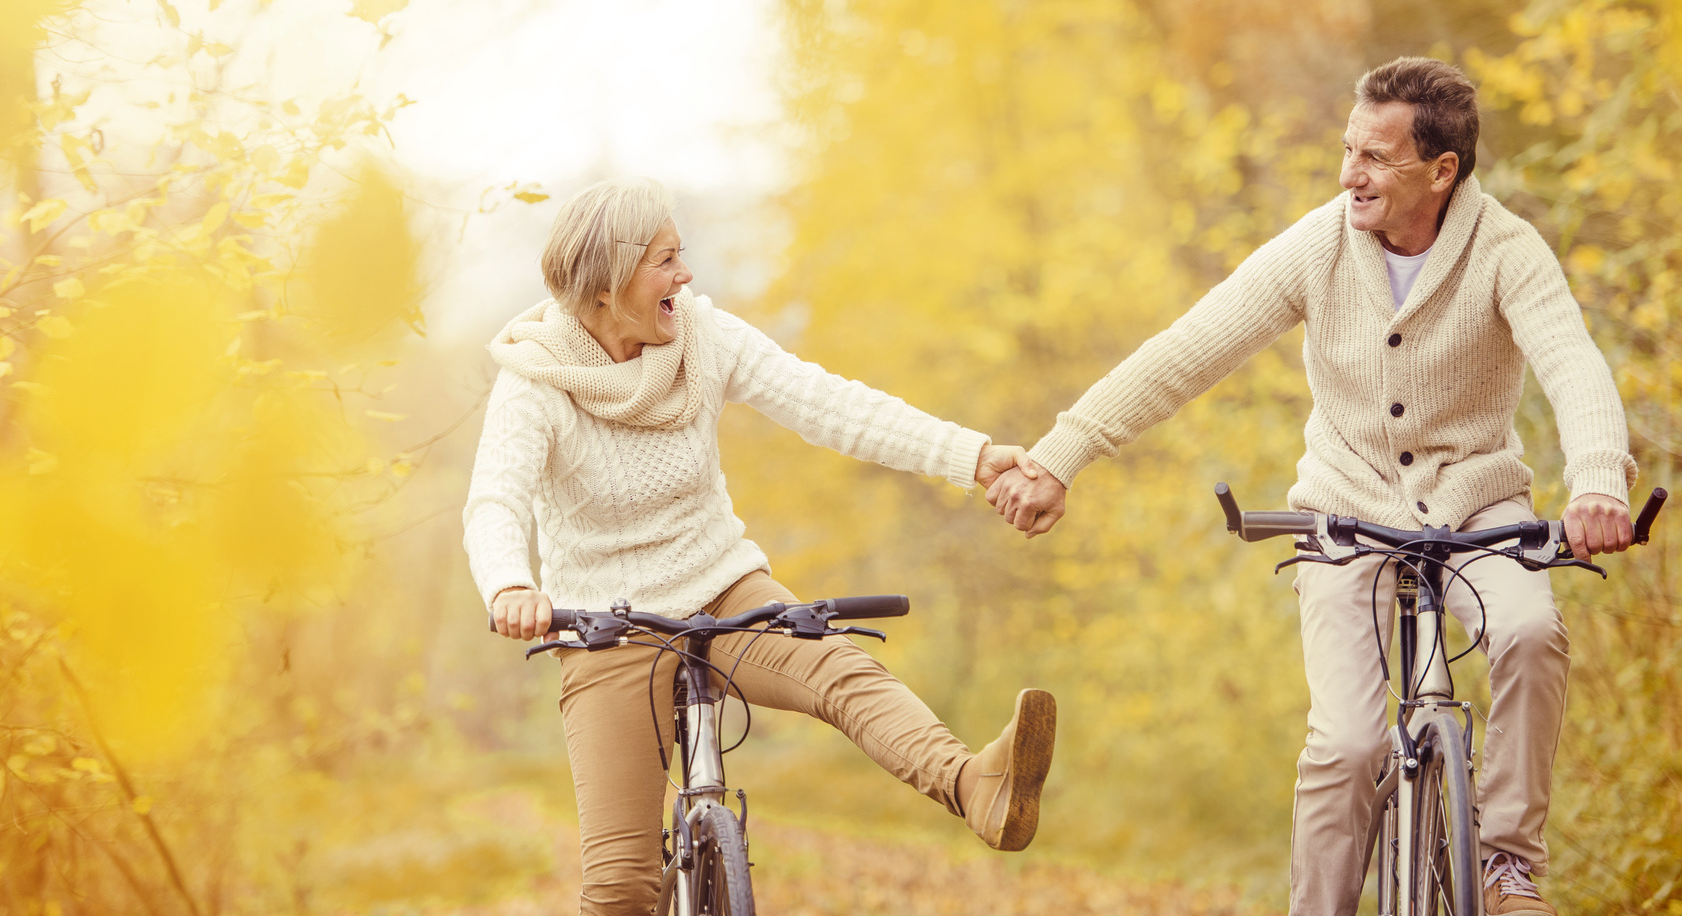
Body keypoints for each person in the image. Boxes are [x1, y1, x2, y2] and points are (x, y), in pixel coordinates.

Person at [985, 57, 1636, 916]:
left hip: (1479, 504)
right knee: (1349, 741)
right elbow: (1189, 350)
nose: (1349, 174)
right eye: (1346, 149)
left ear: (1441, 171)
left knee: (1529, 630)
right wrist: (1061, 453)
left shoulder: (1507, 250)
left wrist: (1596, 480)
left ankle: (1508, 864)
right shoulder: (1319, 245)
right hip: (1345, 513)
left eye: (1375, 157)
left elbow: (1573, 364)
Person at [463, 178, 1057, 915]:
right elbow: (496, 497)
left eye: (682, 254)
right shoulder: (535, 381)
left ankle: (977, 784)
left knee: (843, 669)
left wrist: (972, 456)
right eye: (665, 260)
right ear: (608, 288)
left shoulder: (701, 337)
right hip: (605, 628)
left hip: (723, 591)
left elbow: (827, 402)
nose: (685, 274)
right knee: (619, 888)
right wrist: (509, 585)